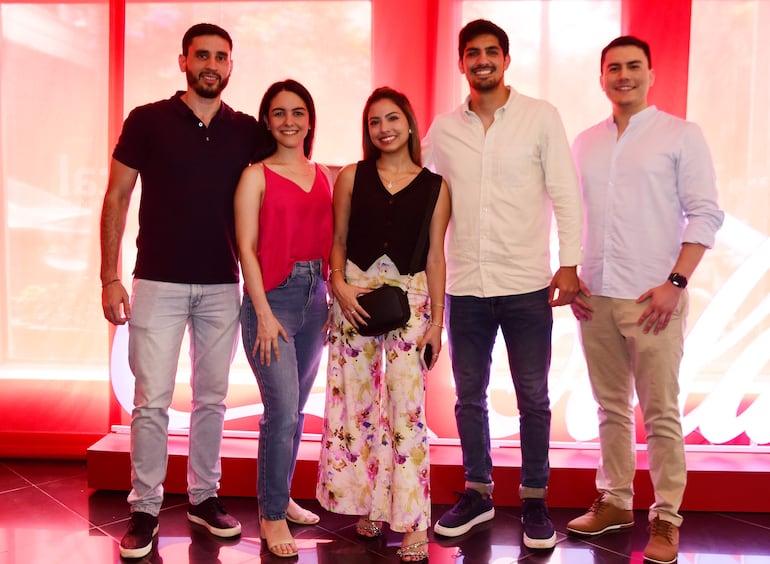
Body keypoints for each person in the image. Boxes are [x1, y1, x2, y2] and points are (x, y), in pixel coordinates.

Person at [99, 23, 270, 560]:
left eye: (221, 57)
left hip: (223, 283)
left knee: (212, 400)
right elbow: (117, 198)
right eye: (202, 56)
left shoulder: (246, 130)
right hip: (156, 282)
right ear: (183, 61)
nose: (211, 65)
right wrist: (109, 275)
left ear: (231, 66)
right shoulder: (147, 121)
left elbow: (289, 173)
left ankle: (204, 497)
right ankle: (146, 507)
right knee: (150, 403)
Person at [422, 19, 583, 549]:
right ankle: (478, 492)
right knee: (468, 396)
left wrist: (570, 264)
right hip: (466, 284)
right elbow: (407, 182)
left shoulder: (540, 117)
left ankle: (535, 500)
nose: (482, 60)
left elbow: (565, 192)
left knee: (533, 396)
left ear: (506, 60)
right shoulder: (444, 129)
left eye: (492, 52)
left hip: (526, 284)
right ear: (462, 62)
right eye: (473, 53)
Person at [567, 36, 724, 564]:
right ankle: (614, 501)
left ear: (651, 74)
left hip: (654, 298)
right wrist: (571, 273)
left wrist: (675, 284)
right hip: (596, 297)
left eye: (634, 66)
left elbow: (705, 213)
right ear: (602, 77)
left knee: (660, 413)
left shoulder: (680, 134)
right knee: (609, 408)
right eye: (613, 67)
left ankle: (666, 518)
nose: (623, 75)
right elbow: (570, 213)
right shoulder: (585, 142)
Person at [316, 87, 450, 563]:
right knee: (355, 407)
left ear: (410, 124)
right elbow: (338, 238)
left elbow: (436, 255)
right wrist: (339, 285)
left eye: (392, 118)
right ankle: (367, 504)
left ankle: (412, 522)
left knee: (406, 411)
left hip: (411, 303)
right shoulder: (351, 177)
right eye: (374, 122)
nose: (384, 128)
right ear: (367, 130)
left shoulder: (435, 185)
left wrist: (437, 323)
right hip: (354, 298)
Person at [234, 79, 333, 558]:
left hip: (316, 301)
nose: (289, 121)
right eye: (279, 113)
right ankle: (271, 516)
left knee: (294, 415)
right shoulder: (256, 174)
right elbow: (246, 251)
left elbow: (331, 243)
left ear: (310, 119)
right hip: (273, 299)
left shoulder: (324, 175)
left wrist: (331, 299)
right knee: (282, 411)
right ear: (267, 120)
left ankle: (283, 495)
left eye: (298, 112)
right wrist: (263, 312)